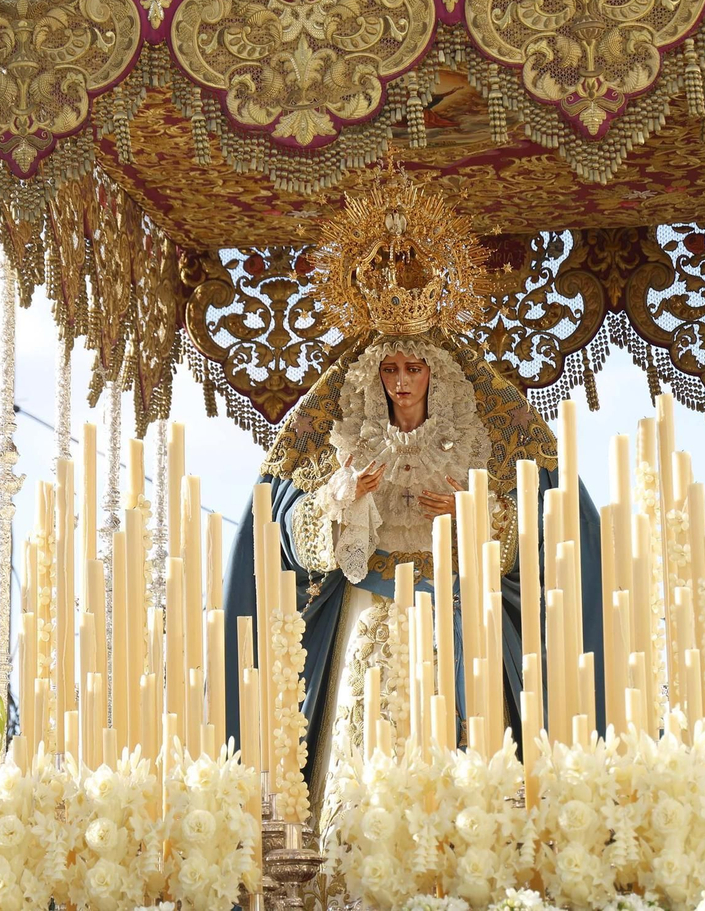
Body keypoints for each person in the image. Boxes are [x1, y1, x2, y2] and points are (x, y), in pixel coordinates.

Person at [222, 173, 605, 818]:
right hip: (368, 610)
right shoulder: (337, 429)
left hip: (457, 615)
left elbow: (545, 524)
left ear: (437, 372)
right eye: (390, 370)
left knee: (457, 752)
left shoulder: (487, 429)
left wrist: (476, 513)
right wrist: (343, 497)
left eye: (414, 368)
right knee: (359, 752)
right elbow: (285, 527)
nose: (402, 383)